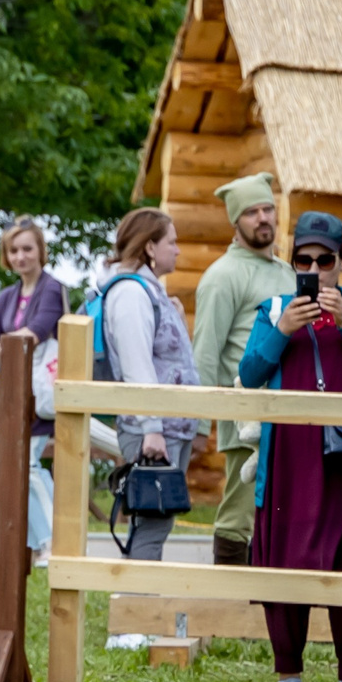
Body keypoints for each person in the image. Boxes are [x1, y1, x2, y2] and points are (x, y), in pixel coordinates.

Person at [238, 210, 342, 682]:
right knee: (287, 562)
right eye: (303, 259)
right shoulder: (274, 309)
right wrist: (281, 328)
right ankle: (289, 678)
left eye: (324, 259)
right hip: (288, 456)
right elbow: (250, 373)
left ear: (340, 263)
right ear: (292, 262)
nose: (315, 268)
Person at [189, 173, 288, 567]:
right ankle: (229, 601)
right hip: (245, 417)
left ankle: (266, 604)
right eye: (251, 212)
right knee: (240, 511)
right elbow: (206, 352)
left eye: (267, 209)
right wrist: (198, 425)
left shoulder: (286, 272)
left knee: (281, 510)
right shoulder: (223, 276)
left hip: (289, 409)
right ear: (235, 222)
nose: (262, 218)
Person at [94, 207, 201, 560]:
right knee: (152, 525)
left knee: (153, 522)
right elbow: (138, 365)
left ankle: (135, 607)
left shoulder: (152, 293)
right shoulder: (131, 294)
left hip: (169, 428)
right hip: (152, 430)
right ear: (151, 248)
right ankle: (138, 609)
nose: (178, 250)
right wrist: (152, 428)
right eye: (172, 242)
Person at [0, 217, 65, 552]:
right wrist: (10, 347)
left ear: (40, 250)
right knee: (15, 467)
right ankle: (27, 543)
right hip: (12, 394)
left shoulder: (53, 289)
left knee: (27, 464)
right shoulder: (7, 296)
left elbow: (39, 332)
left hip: (40, 393)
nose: (20, 256)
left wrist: (7, 346)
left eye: (27, 248)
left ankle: (53, 540)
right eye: (13, 250)